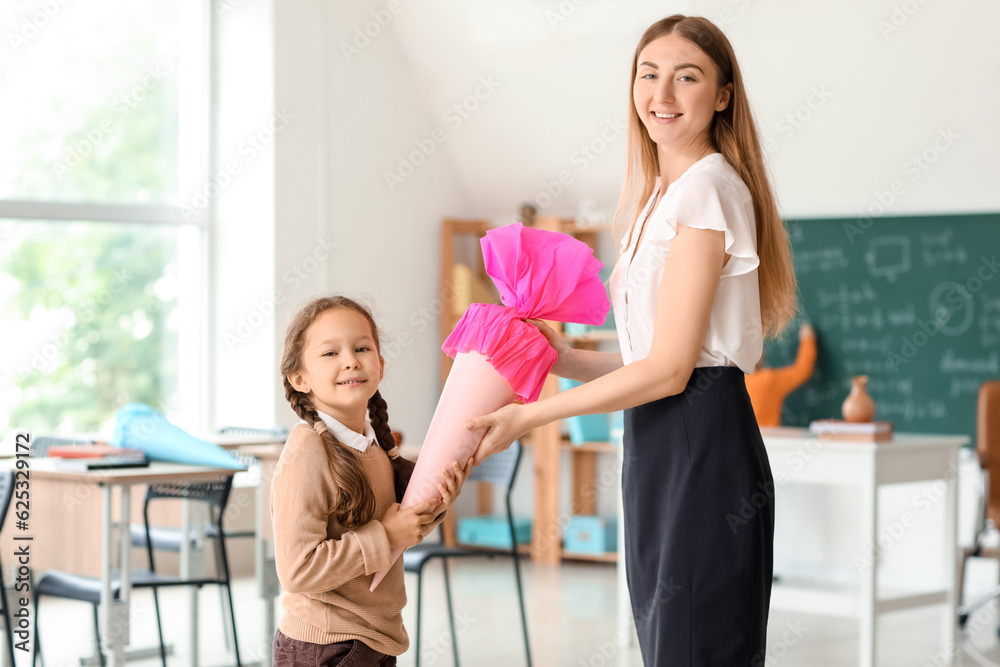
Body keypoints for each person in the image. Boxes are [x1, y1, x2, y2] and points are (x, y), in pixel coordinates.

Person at [467, 15, 797, 666]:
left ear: (723, 95)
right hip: (655, 443)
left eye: (687, 77)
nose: (662, 94)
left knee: (694, 646)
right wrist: (559, 357)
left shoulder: (708, 189)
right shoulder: (656, 199)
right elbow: (652, 359)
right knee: (668, 645)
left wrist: (529, 415)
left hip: (703, 444)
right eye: (649, 75)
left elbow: (673, 369)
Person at [271, 296, 473, 666]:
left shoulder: (375, 444)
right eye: (330, 353)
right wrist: (387, 535)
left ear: (379, 366)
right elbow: (298, 570)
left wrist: (438, 500)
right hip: (327, 645)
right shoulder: (309, 451)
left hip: (374, 638)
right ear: (300, 379)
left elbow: (397, 525)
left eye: (362, 348)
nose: (350, 359)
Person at [746, 323, 817, 426]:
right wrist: (808, 339)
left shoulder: (730, 381)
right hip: (769, 439)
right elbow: (802, 371)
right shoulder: (766, 381)